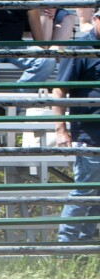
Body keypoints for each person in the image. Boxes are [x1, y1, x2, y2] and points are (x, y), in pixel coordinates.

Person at [52, 36, 100, 242]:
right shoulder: (79, 48)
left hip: (91, 133)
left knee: (93, 195)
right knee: (84, 192)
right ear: (96, 20)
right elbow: (59, 90)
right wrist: (60, 129)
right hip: (89, 135)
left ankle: (84, 243)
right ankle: (66, 244)